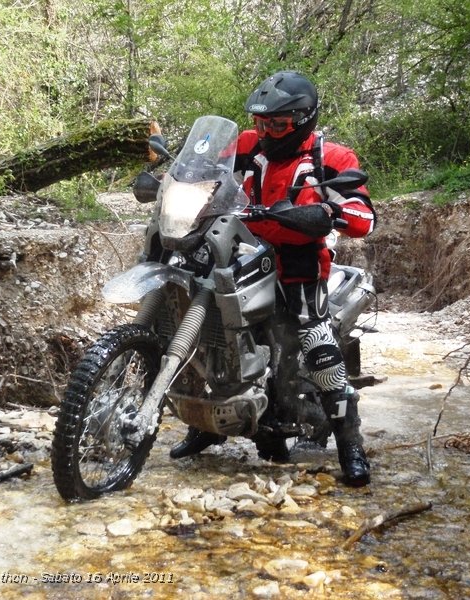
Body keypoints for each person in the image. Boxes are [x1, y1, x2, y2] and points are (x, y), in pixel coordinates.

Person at [169, 71, 377, 487]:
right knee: (210, 337)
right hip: (237, 252)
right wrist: (168, 177)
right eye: (260, 122)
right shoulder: (244, 144)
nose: (264, 132)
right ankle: (205, 427)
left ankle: (350, 446)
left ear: (303, 120)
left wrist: (329, 214)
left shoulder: (332, 158)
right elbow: (196, 167)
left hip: (297, 263)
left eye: (276, 125)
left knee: (317, 345)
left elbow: (365, 217)